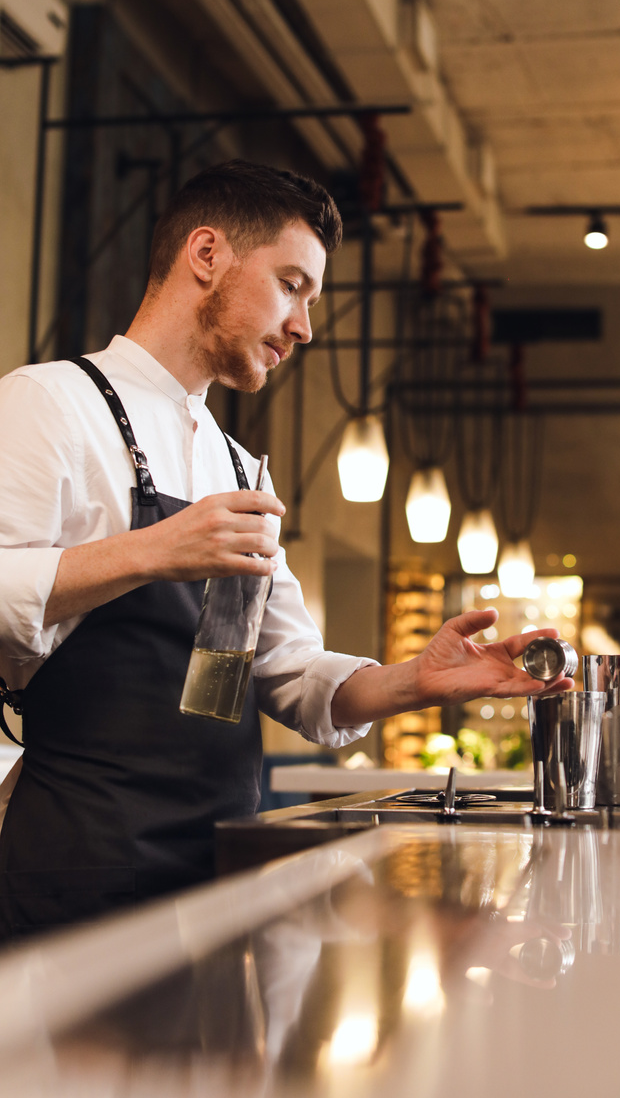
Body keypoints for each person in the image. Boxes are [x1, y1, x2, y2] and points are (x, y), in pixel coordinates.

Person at [0, 160, 569, 940]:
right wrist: (153, 551)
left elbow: (288, 672)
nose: (304, 325)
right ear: (207, 255)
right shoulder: (49, 402)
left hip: (226, 860)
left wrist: (419, 679)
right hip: (82, 865)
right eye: (292, 284)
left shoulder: (240, 465)